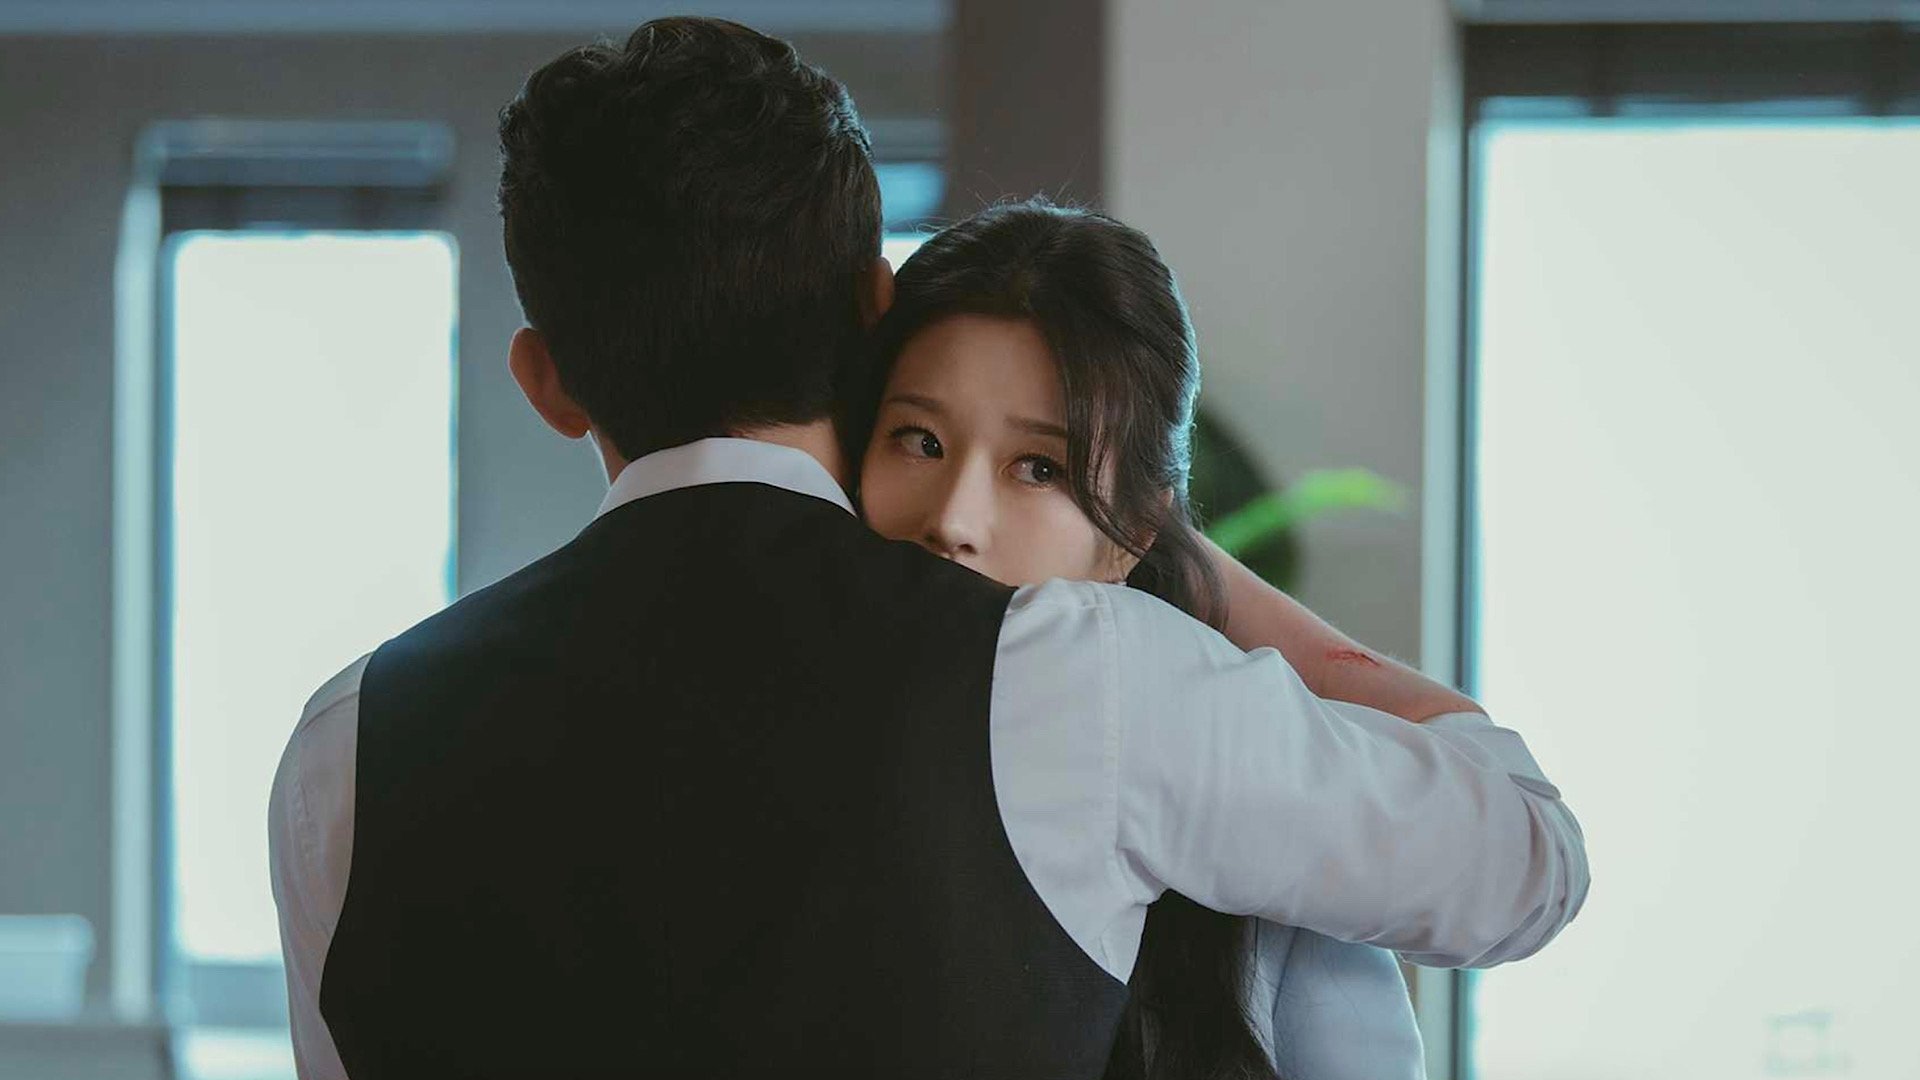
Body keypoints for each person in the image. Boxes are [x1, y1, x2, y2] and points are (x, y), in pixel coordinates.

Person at [268, 18, 1586, 1080]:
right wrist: (1166, 541)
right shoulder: (1068, 674)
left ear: (546, 381)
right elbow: (1524, 860)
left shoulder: (347, 746)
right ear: (870, 308)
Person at [847, 199, 1449, 1079]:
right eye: (919, 440)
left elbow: (1521, 849)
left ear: (1132, 533)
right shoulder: (767, 741)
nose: (954, 521)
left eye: (1039, 468)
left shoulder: (1261, 839)